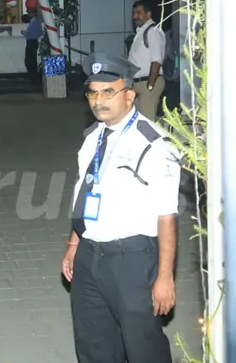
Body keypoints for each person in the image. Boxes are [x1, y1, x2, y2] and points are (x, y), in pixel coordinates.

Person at [61, 51, 180, 363]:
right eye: (93, 92)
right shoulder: (91, 138)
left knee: (143, 347)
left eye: (108, 92)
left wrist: (165, 276)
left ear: (129, 95)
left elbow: (167, 215)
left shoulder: (155, 144)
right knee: (94, 344)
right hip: (89, 258)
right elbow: (83, 193)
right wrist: (74, 244)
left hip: (132, 261)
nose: (99, 100)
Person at [127, 0, 166, 119]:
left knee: (147, 123)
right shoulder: (142, 32)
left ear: (148, 14)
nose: (135, 16)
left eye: (139, 12)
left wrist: (150, 87)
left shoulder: (153, 32)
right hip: (139, 84)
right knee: (138, 122)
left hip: (147, 84)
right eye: (134, 13)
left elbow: (156, 61)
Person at [23, 8, 42, 84]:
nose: (28, 14)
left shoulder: (34, 22)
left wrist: (26, 34)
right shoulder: (34, 22)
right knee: (31, 60)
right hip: (32, 41)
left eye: (29, 13)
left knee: (30, 60)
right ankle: (33, 77)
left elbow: (32, 33)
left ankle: (33, 77)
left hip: (32, 41)